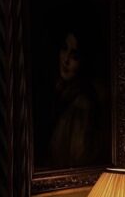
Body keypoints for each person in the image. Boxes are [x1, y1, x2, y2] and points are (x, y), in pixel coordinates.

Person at [35, 23, 106, 169]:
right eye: (64, 49)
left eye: (74, 56)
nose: (66, 60)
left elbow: (77, 158)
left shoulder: (82, 104)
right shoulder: (56, 93)